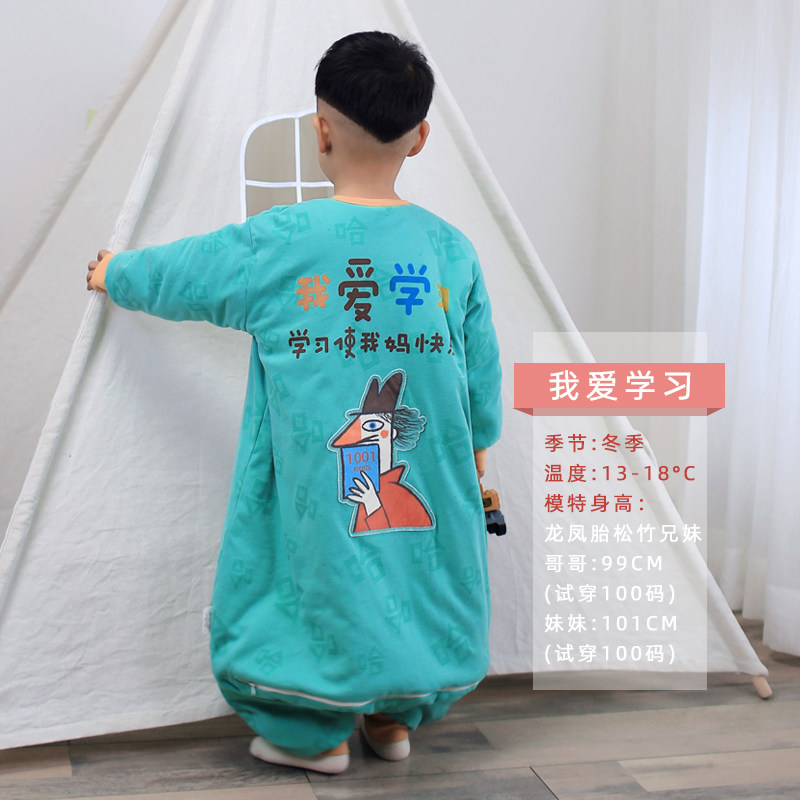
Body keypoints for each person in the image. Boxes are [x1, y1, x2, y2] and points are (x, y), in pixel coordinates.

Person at [87, 30, 502, 774]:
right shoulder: (450, 250)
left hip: (312, 471)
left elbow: (185, 273)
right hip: (435, 469)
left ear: (321, 131)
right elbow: (481, 370)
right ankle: (392, 718)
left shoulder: (279, 242)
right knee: (415, 573)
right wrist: (478, 448)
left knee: (317, 577)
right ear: (421, 138)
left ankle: (313, 733)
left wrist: (114, 272)